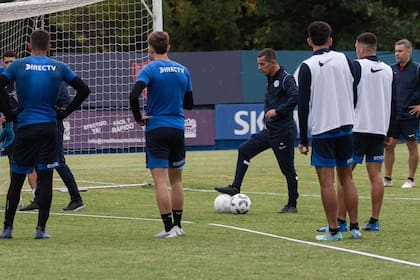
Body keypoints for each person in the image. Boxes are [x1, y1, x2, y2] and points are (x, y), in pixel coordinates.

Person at [0, 29, 90, 239]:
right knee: (46, 178)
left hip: (26, 127)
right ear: (49, 46)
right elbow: (84, 90)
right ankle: (41, 229)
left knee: (17, 179)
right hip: (49, 127)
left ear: (29, 45)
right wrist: (64, 112)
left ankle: (8, 228)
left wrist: (9, 113)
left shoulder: (17, 65)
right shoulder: (59, 67)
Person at [316, 32, 393, 233]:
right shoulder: (388, 70)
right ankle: (374, 221)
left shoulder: (356, 66)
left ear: (360, 48)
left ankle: (340, 220)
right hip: (379, 128)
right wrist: (389, 129)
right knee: (376, 175)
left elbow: (349, 93)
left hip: (358, 127)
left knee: (345, 175)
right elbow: (394, 101)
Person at [297, 21, 361, 241]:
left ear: (309, 41)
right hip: (346, 126)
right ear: (330, 40)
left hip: (324, 129)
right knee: (347, 179)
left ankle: (333, 230)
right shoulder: (345, 58)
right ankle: (354, 227)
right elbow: (354, 87)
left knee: (327, 182)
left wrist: (303, 139)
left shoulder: (307, 66)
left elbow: (303, 104)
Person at [215, 48, 299, 214]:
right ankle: (235, 187)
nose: (259, 67)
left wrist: (278, 111)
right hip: (270, 131)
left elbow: (295, 97)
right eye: (258, 64)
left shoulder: (286, 79)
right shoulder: (270, 78)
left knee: (287, 169)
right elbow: (271, 101)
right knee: (244, 150)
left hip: (284, 131)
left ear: (273, 62)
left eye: (262, 64)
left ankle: (292, 204)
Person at [129, 31, 193, 238]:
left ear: (149, 48)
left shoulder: (149, 69)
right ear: (169, 47)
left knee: (160, 182)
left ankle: (167, 228)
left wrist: (139, 116)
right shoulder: (183, 70)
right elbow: (189, 103)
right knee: (177, 181)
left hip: (157, 127)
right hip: (177, 126)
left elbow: (133, 94)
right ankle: (179, 226)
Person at [20, 84, 85, 212]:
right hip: (37, 126)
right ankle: (39, 200)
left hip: (53, 127)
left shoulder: (57, 84)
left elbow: (67, 104)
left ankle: (76, 199)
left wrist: (55, 113)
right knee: (39, 163)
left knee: (59, 163)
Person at [0, 50, 37, 208]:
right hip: (10, 126)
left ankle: (37, 196)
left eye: (12, 62)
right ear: (2, 63)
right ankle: (16, 197)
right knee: (13, 163)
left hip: (26, 124)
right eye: (7, 62)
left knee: (31, 163)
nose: (9, 65)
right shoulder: (2, 81)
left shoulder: (25, 79)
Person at [384, 39, 420, 189]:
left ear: (409, 52)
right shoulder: (390, 69)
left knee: (411, 146)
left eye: (400, 51)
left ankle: (410, 179)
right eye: (395, 51)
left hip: (410, 115)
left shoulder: (417, 69)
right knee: (389, 146)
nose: (397, 54)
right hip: (394, 115)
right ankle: (387, 178)